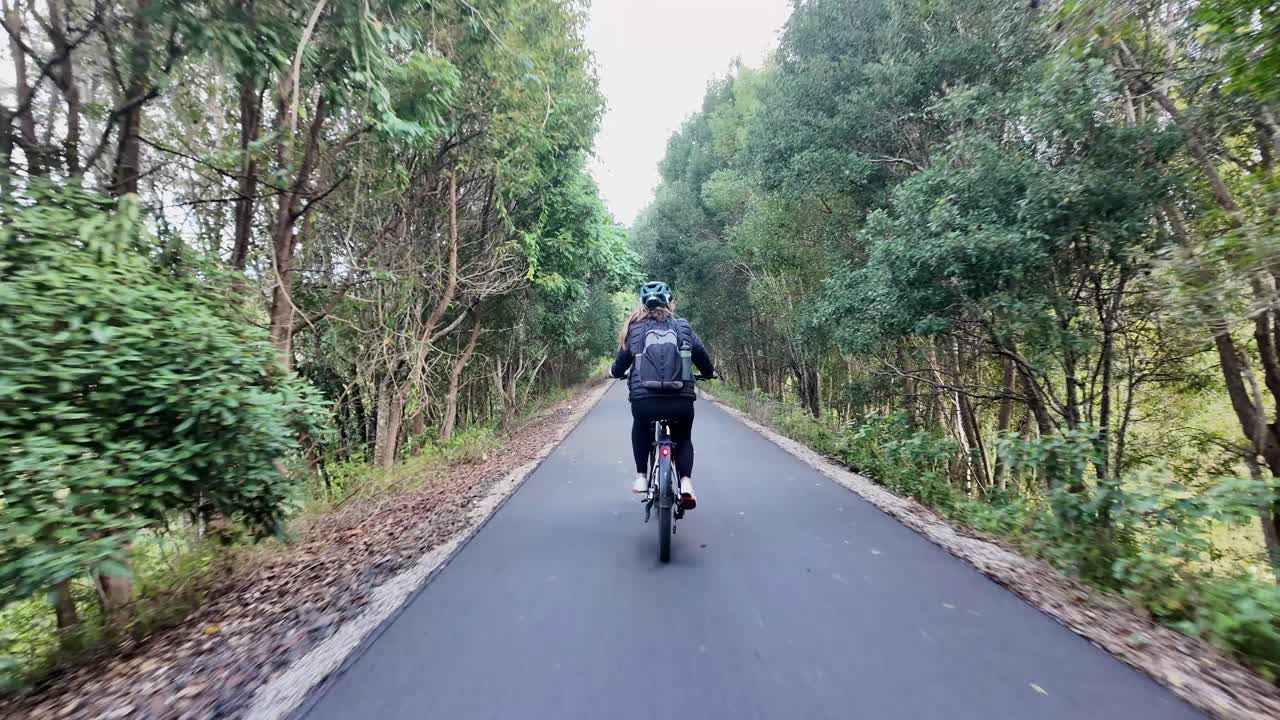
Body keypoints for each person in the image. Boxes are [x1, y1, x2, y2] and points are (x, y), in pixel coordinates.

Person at [610, 281, 715, 508]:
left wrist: (614, 372)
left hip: (644, 402)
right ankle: (686, 482)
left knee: (640, 426)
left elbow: (620, 364)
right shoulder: (682, 327)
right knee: (684, 437)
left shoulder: (634, 329)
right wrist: (709, 372)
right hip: (680, 401)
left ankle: (641, 476)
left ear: (643, 305)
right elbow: (701, 354)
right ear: (669, 303)